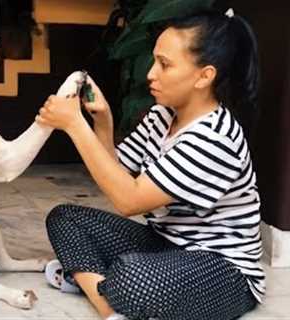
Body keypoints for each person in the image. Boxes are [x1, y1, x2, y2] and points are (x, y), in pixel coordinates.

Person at [36, 9, 264, 320]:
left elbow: (128, 200)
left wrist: (75, 126)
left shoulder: (215, 138)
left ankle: (93, 283)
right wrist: (103, 122)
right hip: (166, 244)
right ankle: (111, 306)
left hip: (225, 272)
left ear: (204, 76)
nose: (150, 74)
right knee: (65, 218)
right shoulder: (163, 115)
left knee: (132, 277)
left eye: (165, 65)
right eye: (154, 60)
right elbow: (117, 176)